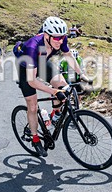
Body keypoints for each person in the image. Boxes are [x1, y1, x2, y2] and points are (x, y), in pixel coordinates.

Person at [13, 16, 84, 157]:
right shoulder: (32, 47)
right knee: (32, 106)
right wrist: (54, 91)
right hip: (25, 69)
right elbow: (32, 81)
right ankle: (35, 138)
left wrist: (82, 75)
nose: (60, 41)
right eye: (56, 38)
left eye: (62, 37)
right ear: (46, 35)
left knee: (63, 86)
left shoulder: (60, 39)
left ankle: (55, 114)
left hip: (43, 62)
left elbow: (69, 56)